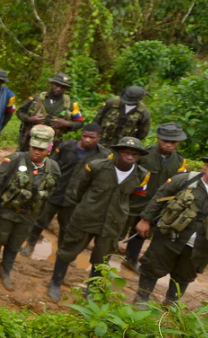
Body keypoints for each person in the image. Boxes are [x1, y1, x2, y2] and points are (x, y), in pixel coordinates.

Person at [46, 137, 150, 301]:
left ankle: (92, 290)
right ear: (118, 152)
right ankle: (55, 282)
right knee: (68, 250)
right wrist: (89, 206)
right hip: (86, 217)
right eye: (126, 153)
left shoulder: (142, 175)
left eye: (134, 154)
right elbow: (80, 189)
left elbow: (134, 198)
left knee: (102, 258)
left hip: (113, 223)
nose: (130, 157)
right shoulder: (96, 166)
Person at [0, 125, 60, 290]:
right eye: (34, 148)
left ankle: (5, 271)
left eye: (41, 149)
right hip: (6, 210)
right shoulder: (14, 160)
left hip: (29, 215)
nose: (36, 152)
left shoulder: (53, 168)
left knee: (15, 244)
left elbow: (51, 193)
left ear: (49, 150)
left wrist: (42, 216)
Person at [22, 123, 112, 256]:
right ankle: (30, 245)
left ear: (99, 137)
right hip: (55, 191)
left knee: (67, 226)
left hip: (76, 197)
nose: (87, 140)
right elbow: (50, 165)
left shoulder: (104, 155)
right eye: (85, 136)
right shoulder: (66, 146)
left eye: (92, 137)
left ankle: (61, 253)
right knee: (41, 220)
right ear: (81, 134)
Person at [133, 160, 208, 306]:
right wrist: (145, 220)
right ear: (206, 166)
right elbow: (159, 197)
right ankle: (142, 297)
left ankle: (172, 302)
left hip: (200, 244)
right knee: (153, 264)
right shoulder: (185, 180)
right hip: (170, 235)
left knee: (185, 274)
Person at [124, 123, 189, 273]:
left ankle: (131, 259)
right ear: (158, 138)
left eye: (173, 142)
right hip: (135, 200)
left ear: (178, 142)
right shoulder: (143, 154)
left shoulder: (180, 161)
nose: (168, 145)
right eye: (165, 140)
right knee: (120, 227)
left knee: (142, 233)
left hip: (158, 204)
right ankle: (105, 257)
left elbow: (179, 183)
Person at [15, 73, 84, 150]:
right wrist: (30, 119)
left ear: (65, 89)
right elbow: (20, 112)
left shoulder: (71, 104)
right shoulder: (36, 98)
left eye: (62, 87)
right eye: (56, 85)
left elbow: (80, 123)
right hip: (31, 139)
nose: (59, 89)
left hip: (53, 142)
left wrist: (65, 123)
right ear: (52, 84)